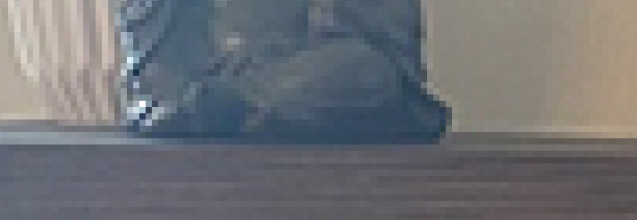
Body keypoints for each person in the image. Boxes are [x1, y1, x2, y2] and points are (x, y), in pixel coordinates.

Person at [119, 0, 450, 141]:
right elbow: (154, 76)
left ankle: (232, 103)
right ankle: (223, 104)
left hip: (315, 76)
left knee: (368, 73)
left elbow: (386, 63)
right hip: (206, 81)